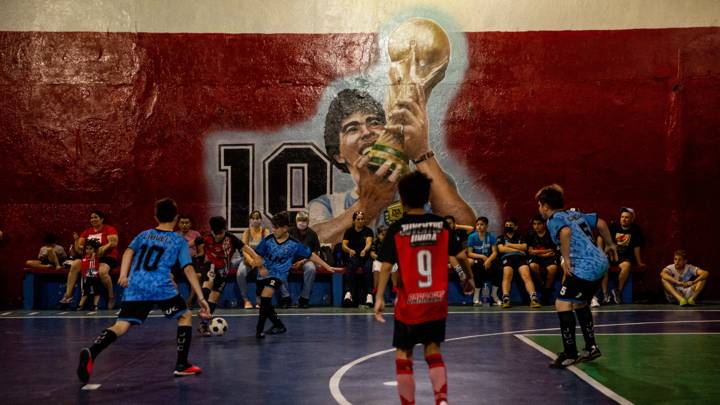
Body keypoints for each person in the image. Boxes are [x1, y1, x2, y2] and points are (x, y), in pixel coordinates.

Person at [309, 89, 475, 244]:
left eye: (374, 122)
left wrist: (420, 153)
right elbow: (310, 242)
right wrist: (366, 206)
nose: (367, 132)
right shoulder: (326, 204)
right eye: (352, 129)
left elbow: (468, 231)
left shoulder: (427, 184)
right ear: (338, 155)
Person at [76, 198, 211, 384]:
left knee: (122, 325)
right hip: (160, 285)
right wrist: (201, 297)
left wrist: (123, 275)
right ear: (176, 218)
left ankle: (92, 352)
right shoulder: (179, 240)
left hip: (136, 284)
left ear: (155, 217)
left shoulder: (144, 234)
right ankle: (182, 365)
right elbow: (188, 268)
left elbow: (128, 252)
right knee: (185, 315)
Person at [374, 171, 472, 405]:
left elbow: (386, 266)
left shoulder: (397, 228)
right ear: (427, 196)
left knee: (403, 353)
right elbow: (460, 256)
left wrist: (378, 297)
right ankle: (441, 400)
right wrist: (468, 279)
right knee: (433, 350)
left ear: (403, 198)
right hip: (435, 301)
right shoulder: (441, 225)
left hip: (409, 304)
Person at [536, 184, 618, 368]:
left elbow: (565, 232)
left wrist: (566, 260)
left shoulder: (554, 219)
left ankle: (570, 354)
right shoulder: (574, 214)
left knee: (562, 303)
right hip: (600, 261)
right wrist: (610, 244)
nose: (539, 209)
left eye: (540, 205)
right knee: (580, 302)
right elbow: (601, 223)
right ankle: (591, 347)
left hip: (585, 266)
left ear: (546, 206)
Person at [253, 211, 342, 338]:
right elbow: (258, 255)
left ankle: (259, 331)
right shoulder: (268, 240)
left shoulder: (294, 244)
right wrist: (260, 267)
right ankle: (278, 324)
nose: (273, 230)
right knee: (263, 302)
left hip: (278, 274)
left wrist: (327, 266)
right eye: (272, 227)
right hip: (263, 273)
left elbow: (311, 255)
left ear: (285, 228)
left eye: (276, 227)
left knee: (266, 297)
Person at [196, 216, 260, 336]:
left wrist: (257, 258)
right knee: (209, 281)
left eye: (220, 233)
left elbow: (247, 248)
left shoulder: (231, 239)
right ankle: (202, 307)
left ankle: (203, 325)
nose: (218, 236)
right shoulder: (206, 237)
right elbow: (189, 243)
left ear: (224, 229)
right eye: (215, 233)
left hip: (224, 272)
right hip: (211, 266)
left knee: (214, 298)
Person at [60, 210, 119, 309]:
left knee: (102, 272)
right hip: (90, 259)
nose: (93, 219)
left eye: (95, 217)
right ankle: (68, 295)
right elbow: (79, 250)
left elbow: (114, 243)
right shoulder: (86, 232)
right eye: (91, 218)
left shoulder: (109, 229)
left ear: (102, 219)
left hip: (107, 257)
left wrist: (103, 249)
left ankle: (111, 296)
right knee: (75, 264)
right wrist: (76, 240)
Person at [596, 207, 646, 305]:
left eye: (626, 217)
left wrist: (639, 262)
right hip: (610, 255)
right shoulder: (613, 227)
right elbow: (600, 237)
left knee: (627, 266)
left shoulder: (635, 230)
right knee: (604, 266)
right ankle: (605, 294)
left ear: (631, 219)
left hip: (623, 257)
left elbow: (637, 247)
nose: (623, 219)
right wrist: (601, 254)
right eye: (622, 217)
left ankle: (617, 291)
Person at [496, 217, 541, 309]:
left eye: (511, 225)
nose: (508, 227)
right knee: (507, 274)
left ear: (516, 227)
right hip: (507, 258)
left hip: (520, 258)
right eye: (507, 225)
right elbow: (501, 249)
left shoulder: (521, 236)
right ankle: (506, 298)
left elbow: (524, 247)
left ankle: (533, 298)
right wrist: (518, 249)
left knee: (526, 275)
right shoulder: (500, 237)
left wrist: (509, 245)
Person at [284, 210, 320, 308]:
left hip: (306, 260)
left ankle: (304, 298)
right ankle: (286, 298)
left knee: (311, 269)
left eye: (304, 220)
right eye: (300, 220)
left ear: (308, 222)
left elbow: (315, 253)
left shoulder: (312, 234)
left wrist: (302, 261)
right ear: (296, 221)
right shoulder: (289, 232)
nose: (302, 223)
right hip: (289, 259)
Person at [235, 210, 270, 309]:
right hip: (248, 260)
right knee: (240, 273)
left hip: (261, 260)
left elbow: (266, 248)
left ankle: (260, 299)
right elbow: (244, 250)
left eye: (257, 218)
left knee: (263, 274)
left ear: (261, 220)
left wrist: (258, 262)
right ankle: (246, 300)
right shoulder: (247, 232)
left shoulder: (265, 232)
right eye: (253, 218)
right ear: (250, 220)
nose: (255, 220)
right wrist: (251, 261)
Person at [341, 211, 374, 307]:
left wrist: (365, 250)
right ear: (354, 221)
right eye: (358, 219)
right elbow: (344, 245)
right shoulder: (349, 231)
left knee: (368, 268)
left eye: (362, 219)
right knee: (350, 267)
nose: (360, 221)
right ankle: (348, 294)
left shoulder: (368, 231)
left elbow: (369, 243)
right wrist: (349, 250)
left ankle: (369, 295)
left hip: (365, 256)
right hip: (354, 256)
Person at [466, 216, 500, 306]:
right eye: (477, 225)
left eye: (482, 224)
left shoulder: (491, 237)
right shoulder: (472, 237)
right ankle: (476, 296)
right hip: (478, 258)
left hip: (489, 258)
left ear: (486, 226)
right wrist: (482, 257)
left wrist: (488, 260)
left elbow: (495, 252)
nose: (479, 226)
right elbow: (469, 253)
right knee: (478, 268)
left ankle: (494, 295)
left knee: (498, 267)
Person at [527, 214, 560, 305]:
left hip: (549, 257)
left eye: (538, 224)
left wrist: (537, 252)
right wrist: (544, 253)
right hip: (538, 257)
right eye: (534, 224)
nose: (536, 226)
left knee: (552, 268)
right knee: (533, 266)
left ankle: (546, 291)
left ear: (543, 224)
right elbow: (530, 251)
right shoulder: (530, 234)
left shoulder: (550, 234)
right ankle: (541, 284)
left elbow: (552, 250)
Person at [175, 215, 205, 307]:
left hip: (192, 260)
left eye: (187, 223)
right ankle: (177, 300)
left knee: (198, 276)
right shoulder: (174, 235)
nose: (184, 225)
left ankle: (190, 301)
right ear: (178, 224)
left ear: (190, 224)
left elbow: (201, 252)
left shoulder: (196, 235)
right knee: (168, 276)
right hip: (177, 261)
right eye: (182, 223)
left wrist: (196, 256)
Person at [370, 225, 398, 301]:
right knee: (376, 267)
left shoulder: (391, 242)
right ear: (378, 235)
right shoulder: (375, 242)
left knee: (395, 266)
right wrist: (379, 258)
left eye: (386, 235)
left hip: (389, 261)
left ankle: (395, 286)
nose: (385, 237)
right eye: (383, 235)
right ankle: (375, 287)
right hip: (379, 260)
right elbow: (372, 254)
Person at [77, 240, 102, 311]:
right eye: (87, 248)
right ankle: (80, 305)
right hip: (85, 276)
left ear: (94, 250)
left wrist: (94, 253)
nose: (88, 250)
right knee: (85, 292)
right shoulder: (84, 257)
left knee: (96, 291)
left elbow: (99, 251)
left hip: (93, 274)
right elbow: (78, 248)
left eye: (91, 249)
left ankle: (95, 305)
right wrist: (76, 240)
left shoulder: (96, 256)